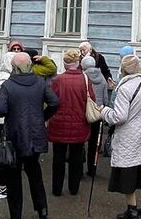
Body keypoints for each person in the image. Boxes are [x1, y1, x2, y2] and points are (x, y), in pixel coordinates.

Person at [0, 52, 60, 219]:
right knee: (34, 172)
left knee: (13, 177)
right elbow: (54, 102)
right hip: (36, 134)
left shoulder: (8, 85)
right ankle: (42, 209)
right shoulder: (39, 82)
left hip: (15, 136)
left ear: (15, 68)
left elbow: (0, 110)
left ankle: (16, 214)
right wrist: (42, 116)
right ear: (29, 66)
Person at [101, 54, 141, 219]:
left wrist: (104, 111)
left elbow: (119, 117)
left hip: (128, 136)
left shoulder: (124, 88)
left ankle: (132, 209)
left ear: (123, 70)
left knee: (128, 172)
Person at [47, 49, 95, 197]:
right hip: (79, 123)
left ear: (65, 63)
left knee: (58, 158)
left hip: (59, 123)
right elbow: (91, 99)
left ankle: (57, 189)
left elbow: (51, 101)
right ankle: (74, 188)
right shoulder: (85, 80)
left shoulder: (58, 80)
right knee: (76, 157)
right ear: (78, 63)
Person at [0, 51, 17, 200]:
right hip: (3, 120)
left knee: (6, 150)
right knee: (7, 152)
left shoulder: (3, 76)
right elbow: (5, 102)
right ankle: (3, 186)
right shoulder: (5, 79)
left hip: (1, 119)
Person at [81, 54, 109, 177]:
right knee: (94, 142)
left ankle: (78, 169)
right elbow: (105, 98)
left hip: (85, 112)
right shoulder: (101, 76)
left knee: (81, 141)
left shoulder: (83, 77)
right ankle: (92, 169)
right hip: (98, 112)